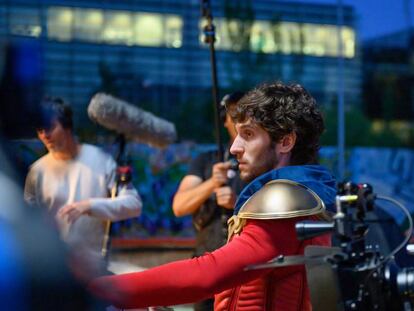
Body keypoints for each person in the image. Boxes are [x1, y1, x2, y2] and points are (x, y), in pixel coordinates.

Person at [89, 82, 337, 310]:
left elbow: (206, 275)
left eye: (248, 135)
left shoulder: (285, 201)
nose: (234, 148)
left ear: (285, 141)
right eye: (237, 134)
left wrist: (102, 289)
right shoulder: (309, 193)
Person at [24, 97, 142, 272]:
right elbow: (26, 220)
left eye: (50, 128)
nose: (44, 135)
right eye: (40, 130)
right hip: (52, 265)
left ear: (67, 126)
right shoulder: (37, 171)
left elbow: (134, 205)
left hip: (93, 264)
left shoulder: (100, 160)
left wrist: (89, 205)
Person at [172, 92, 246, 310]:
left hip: (245, 269)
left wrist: (237, 204)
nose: (240, 120)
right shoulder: (205, 161)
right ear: (225, 121)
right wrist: (211, 183)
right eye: (235, 114)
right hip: (207, 267)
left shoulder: (261, 164)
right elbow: (179, 206)